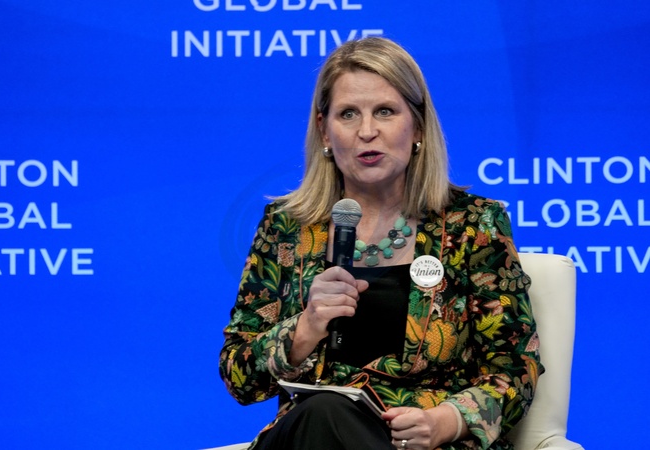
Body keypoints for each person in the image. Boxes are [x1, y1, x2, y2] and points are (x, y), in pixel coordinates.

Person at [219, 37, 543, 450]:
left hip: (425, 443)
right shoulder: (285, 228)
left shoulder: (473, 225)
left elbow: (515, 367)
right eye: (348, 114)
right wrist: (305, 328)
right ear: (324, 130)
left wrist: (445, 422)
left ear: (418, 126)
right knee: (323, 412)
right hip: (308, 434)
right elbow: (239, 377)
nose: (367, 131)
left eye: (385, 111)